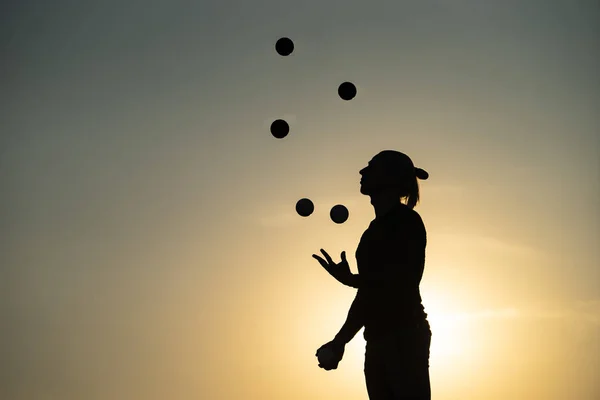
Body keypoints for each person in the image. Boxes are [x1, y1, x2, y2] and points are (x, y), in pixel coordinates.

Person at [312, 150, 432, 400]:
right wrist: (340, 341)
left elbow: (400, 282)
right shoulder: (372, 232)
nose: (362, 172)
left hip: (404, 336)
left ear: (389, 177)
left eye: (371, 168)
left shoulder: (406, 222)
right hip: (378, 339)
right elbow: (369, 296)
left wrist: (353, 280)